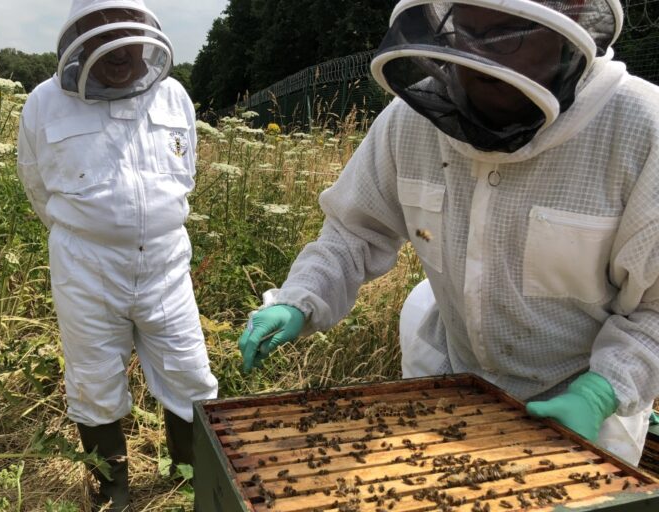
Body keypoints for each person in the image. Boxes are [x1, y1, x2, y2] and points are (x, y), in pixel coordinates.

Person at [238, 0, 659, 467]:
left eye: (505, 36)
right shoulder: (410, 119)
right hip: (454, 387)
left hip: (583, 410)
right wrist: (300, 298)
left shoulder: (641, 129)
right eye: (467, 32)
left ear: (572, 24)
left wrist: (601, 392)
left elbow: (656, 307)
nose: (480, 59)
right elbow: (354, 231)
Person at [17, 0, 218, 509]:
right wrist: (92, 233)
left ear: (146, 34)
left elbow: (186, 175)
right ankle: (114, 491)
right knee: (93, 378)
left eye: (127, 31)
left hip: (167, 264)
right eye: (101, 29)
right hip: (85, 266)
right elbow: (36, 184)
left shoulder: (174, 96)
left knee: (189, 370)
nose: (118, 46)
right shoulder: (44, 103)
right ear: (77, 35)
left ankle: (188, 476)